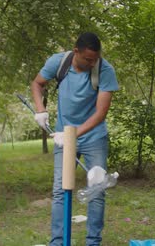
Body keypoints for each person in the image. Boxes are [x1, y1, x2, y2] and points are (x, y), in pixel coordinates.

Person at [31, 32, 119, 246]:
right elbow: (37, 83)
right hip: (64, 136)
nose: (92, 63)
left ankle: (93, 242)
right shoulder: (58, 62)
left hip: (93, 137)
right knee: (61, 190)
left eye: (95, 59)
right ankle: (58, 242)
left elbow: (100, 114)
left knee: (96, 190)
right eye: (88, 59)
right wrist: (40, 110)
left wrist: (71, 135)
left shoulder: (104, 70)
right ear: (76, 51)